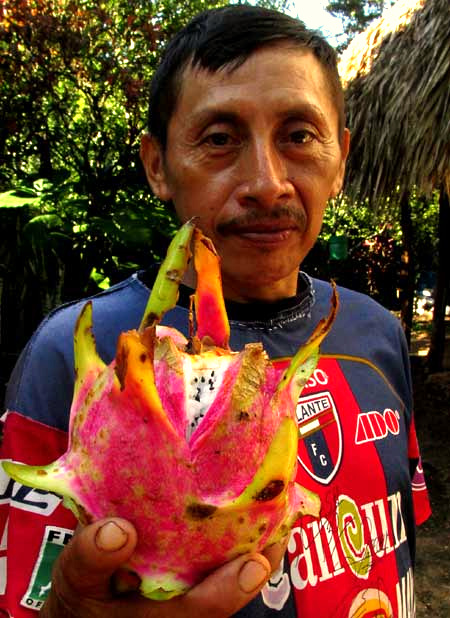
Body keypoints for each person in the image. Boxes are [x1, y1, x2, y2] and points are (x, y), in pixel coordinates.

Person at [0, 5, 430, 617]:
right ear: (158, 166)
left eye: (299, 136)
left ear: (341, 159)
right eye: (221, 138)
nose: (266, 181)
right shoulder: (78, 361)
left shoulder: (377, 332)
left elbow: (398, 542)